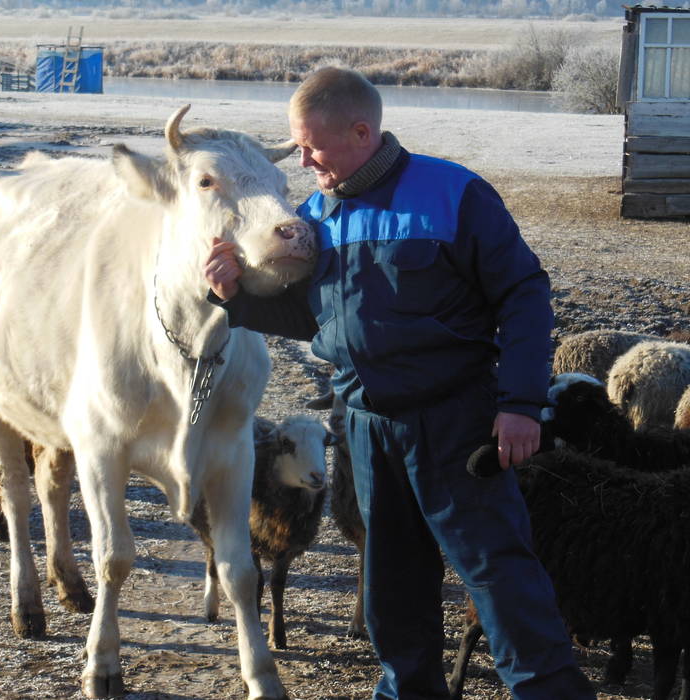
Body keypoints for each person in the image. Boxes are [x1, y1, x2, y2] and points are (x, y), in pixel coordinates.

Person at [204, 66, 596, 700]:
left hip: (455, 423)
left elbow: (525, 296)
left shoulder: (454, 195)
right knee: (390, 586)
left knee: (499, 579)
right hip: (362, 426)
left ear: (362, 131)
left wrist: (521, 404)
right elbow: (313, 316)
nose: (302, 161)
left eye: (312, 146)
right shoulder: (316, 216)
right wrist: (233, 299)